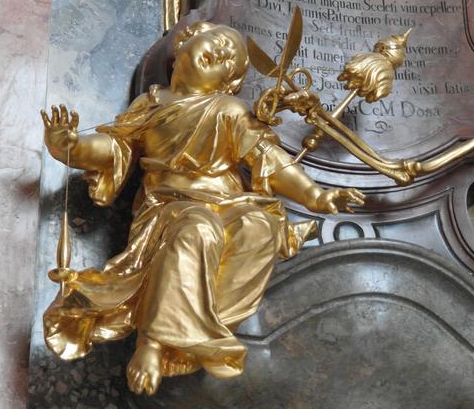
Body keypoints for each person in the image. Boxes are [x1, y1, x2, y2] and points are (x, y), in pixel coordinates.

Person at [40, 22, 364, 395]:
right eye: (219, 42)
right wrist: (70, 146)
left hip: (228, 203)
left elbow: (268, 159)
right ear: (184, 43)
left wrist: (316, 196)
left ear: (227, 83)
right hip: (171, 206)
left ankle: (205, 332)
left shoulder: (228, 110)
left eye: (229, 59)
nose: (221, 53)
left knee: (259, 226)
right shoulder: (150, 104)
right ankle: (153, 342)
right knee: (196, 229)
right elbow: (116, 147)